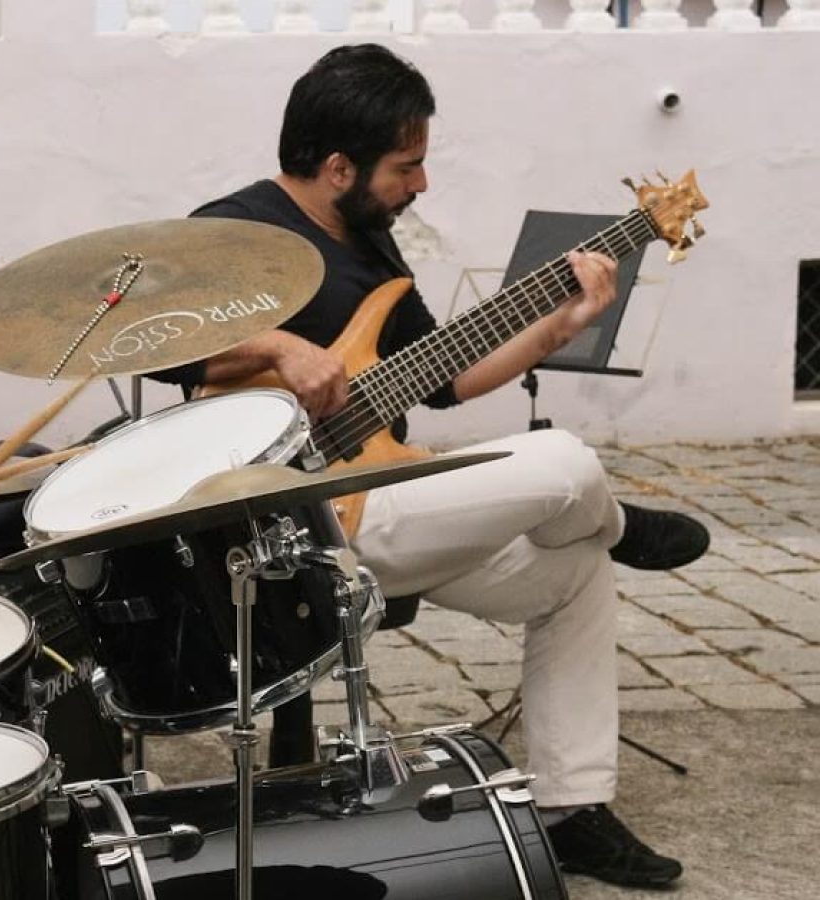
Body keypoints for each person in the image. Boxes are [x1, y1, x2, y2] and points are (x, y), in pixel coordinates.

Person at [152, 44, 706, 890]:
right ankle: (621, 519)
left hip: (386, 501)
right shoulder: (237, 229)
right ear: (339, 166)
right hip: (292, 519)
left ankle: (570, 807)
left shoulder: (376, 252)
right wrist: (276, 346)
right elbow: (154, 342)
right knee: (562, 459)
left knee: (573, 569)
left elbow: (443, 379)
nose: (421, 185)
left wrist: (563, 323)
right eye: (407, 167)